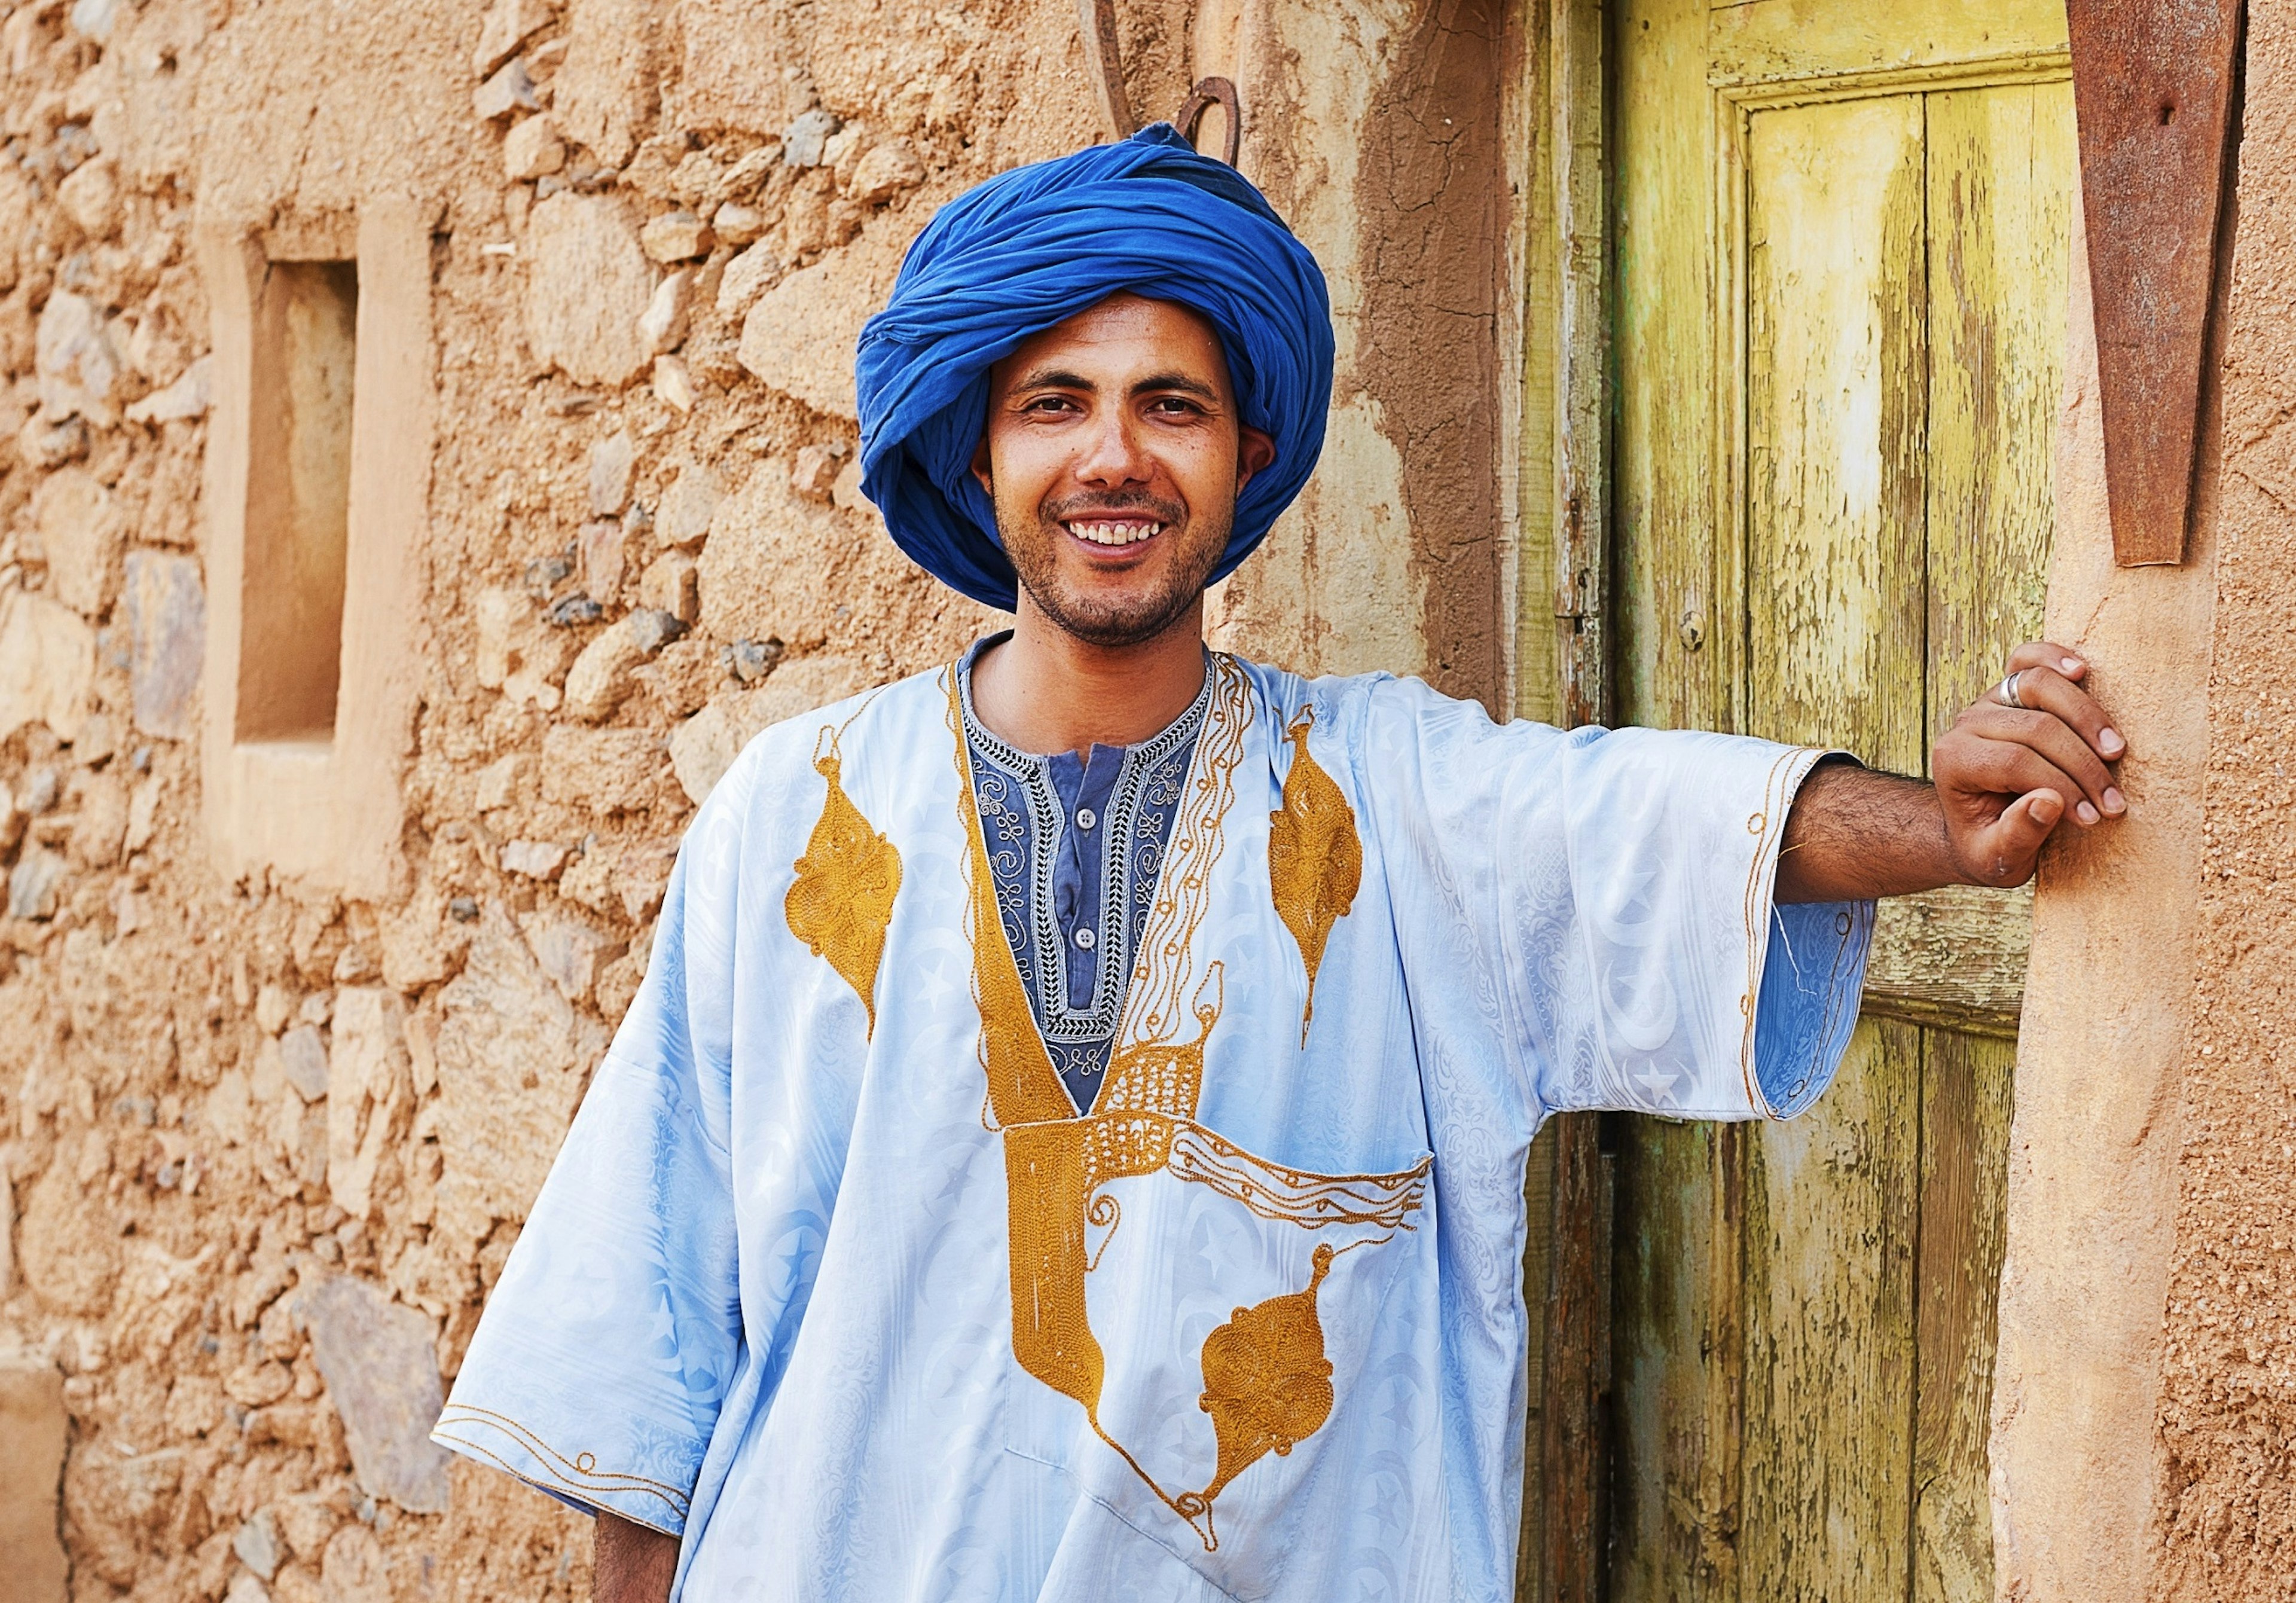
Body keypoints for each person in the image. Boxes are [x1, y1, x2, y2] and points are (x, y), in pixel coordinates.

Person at [431, 127, 2126, 1602]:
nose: (1113, 457)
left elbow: (1641, 827)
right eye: (1055, 405)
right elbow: (651, 1344)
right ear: (979, 454)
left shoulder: (1385, 793)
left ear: (1248, 457)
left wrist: (1947, 829)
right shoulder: (792, 814)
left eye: (1172, 405)